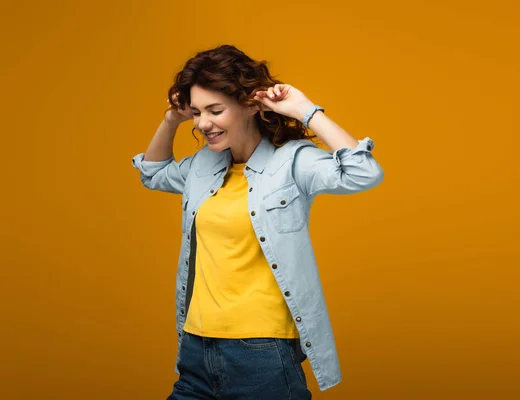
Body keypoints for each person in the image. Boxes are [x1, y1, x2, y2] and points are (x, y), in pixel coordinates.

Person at [131, 44, 384, 399]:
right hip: (196, 345)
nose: (203, 124)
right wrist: (171, 119)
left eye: (215, 110)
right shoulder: (203, 165)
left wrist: (305, 110)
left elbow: (363, 172)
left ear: (250, 104)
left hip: (260, 350)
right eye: (197, 112)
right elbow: (153, 173)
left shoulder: (292, 162)